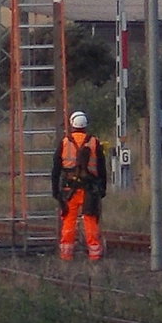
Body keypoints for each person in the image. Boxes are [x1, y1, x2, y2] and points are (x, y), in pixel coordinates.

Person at [51, 110, 107, 261]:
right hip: (90, 189)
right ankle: (95, 254)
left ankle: (66, 254)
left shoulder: (64, 142)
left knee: (69, 221)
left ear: (72, 124)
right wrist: (103, 188)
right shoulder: (94, 142)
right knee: (90, 220)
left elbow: (56, 169)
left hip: (69, 190)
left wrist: (55, 190)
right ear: (85, 125)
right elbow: (102, 168)